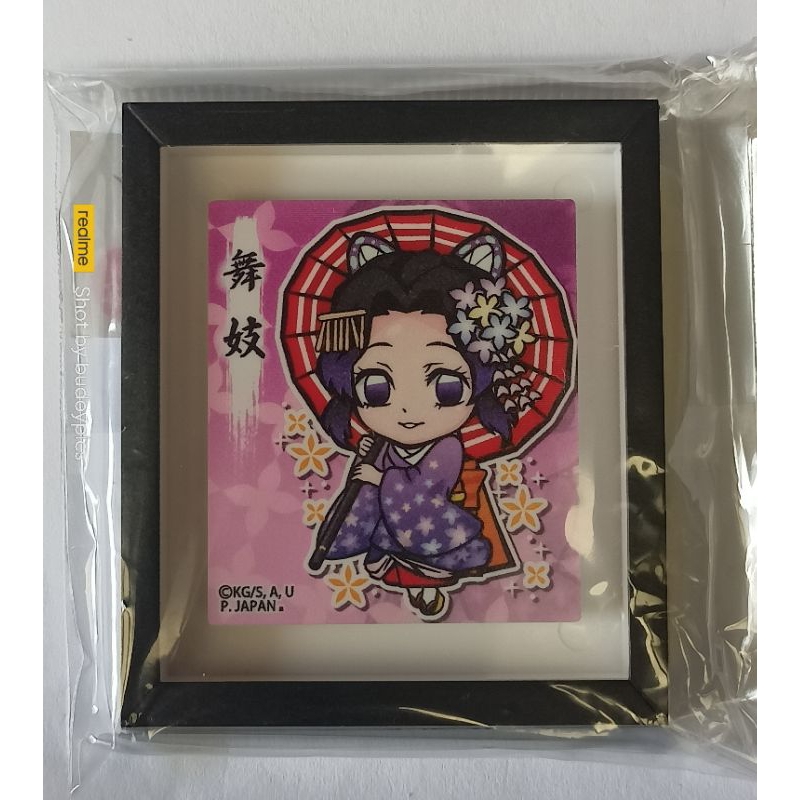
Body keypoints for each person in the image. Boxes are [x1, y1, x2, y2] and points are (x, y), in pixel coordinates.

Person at [314, 231, 531, 619]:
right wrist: (370, 461)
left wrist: (381, 478)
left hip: (430, 517)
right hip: (398, 516)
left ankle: (420, 569)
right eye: (377, 388)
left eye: (446, 387)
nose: (409, 409)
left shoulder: (447, 448)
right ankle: (396, 561)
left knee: (424, 530)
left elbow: (427, 486)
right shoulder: (385, 444)